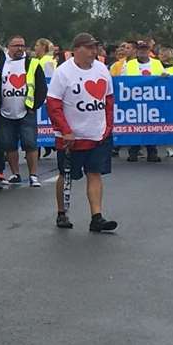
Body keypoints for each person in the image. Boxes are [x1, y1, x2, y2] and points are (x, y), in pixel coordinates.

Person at [46, 34, 119, 232]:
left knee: (95, 173)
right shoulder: (63, 72)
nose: (94, 52)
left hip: (97, 133)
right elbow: (53, 104)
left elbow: (109, 100)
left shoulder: (102, 69)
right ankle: (62, 212)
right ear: (77, 49)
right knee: (67, 174)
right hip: (71, 137)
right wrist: (65, 130)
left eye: (95, 47)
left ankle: (97, 217)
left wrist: (108, 126)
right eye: (89, 48)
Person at [0, 35, 46, 188]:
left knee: (30, 144)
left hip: (26, 112)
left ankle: (33, 175)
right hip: (5, 112)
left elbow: (41, 88)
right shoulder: (1, 64)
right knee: (9, 144)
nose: (19, 48)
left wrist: (33, 107)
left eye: (22, 45)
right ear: (8, 47)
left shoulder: (32, 64)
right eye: (16, 45)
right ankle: (15, 174)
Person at [117, 41, 167, 162]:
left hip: (152, 100)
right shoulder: (129, 64)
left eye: (145, 50)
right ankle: (133, 152)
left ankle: (152, 152)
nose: (143, 52)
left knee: (151, 127)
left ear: (149, 51)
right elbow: (123, 80)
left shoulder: (156, 63)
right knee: (135, 127)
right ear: (137, 52)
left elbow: (163, 77)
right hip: (135, 100)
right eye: (140, 50)